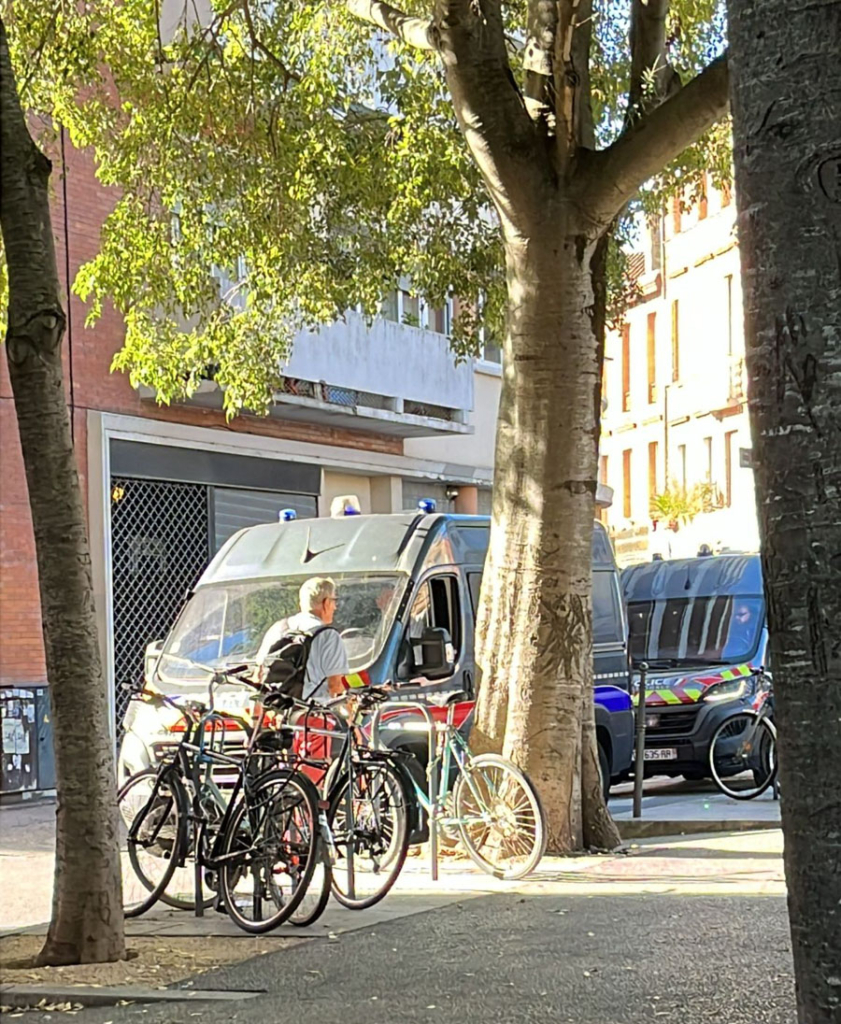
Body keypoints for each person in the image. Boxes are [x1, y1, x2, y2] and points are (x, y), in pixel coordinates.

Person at [256, 577, 349, 700]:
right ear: (326, 603)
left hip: (278, 711)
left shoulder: (277, 628)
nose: (335, 607)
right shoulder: (328, 636)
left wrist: (256, 717)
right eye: (334, 601)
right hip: (312, 714)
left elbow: (258, 675)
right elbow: (336, 686)